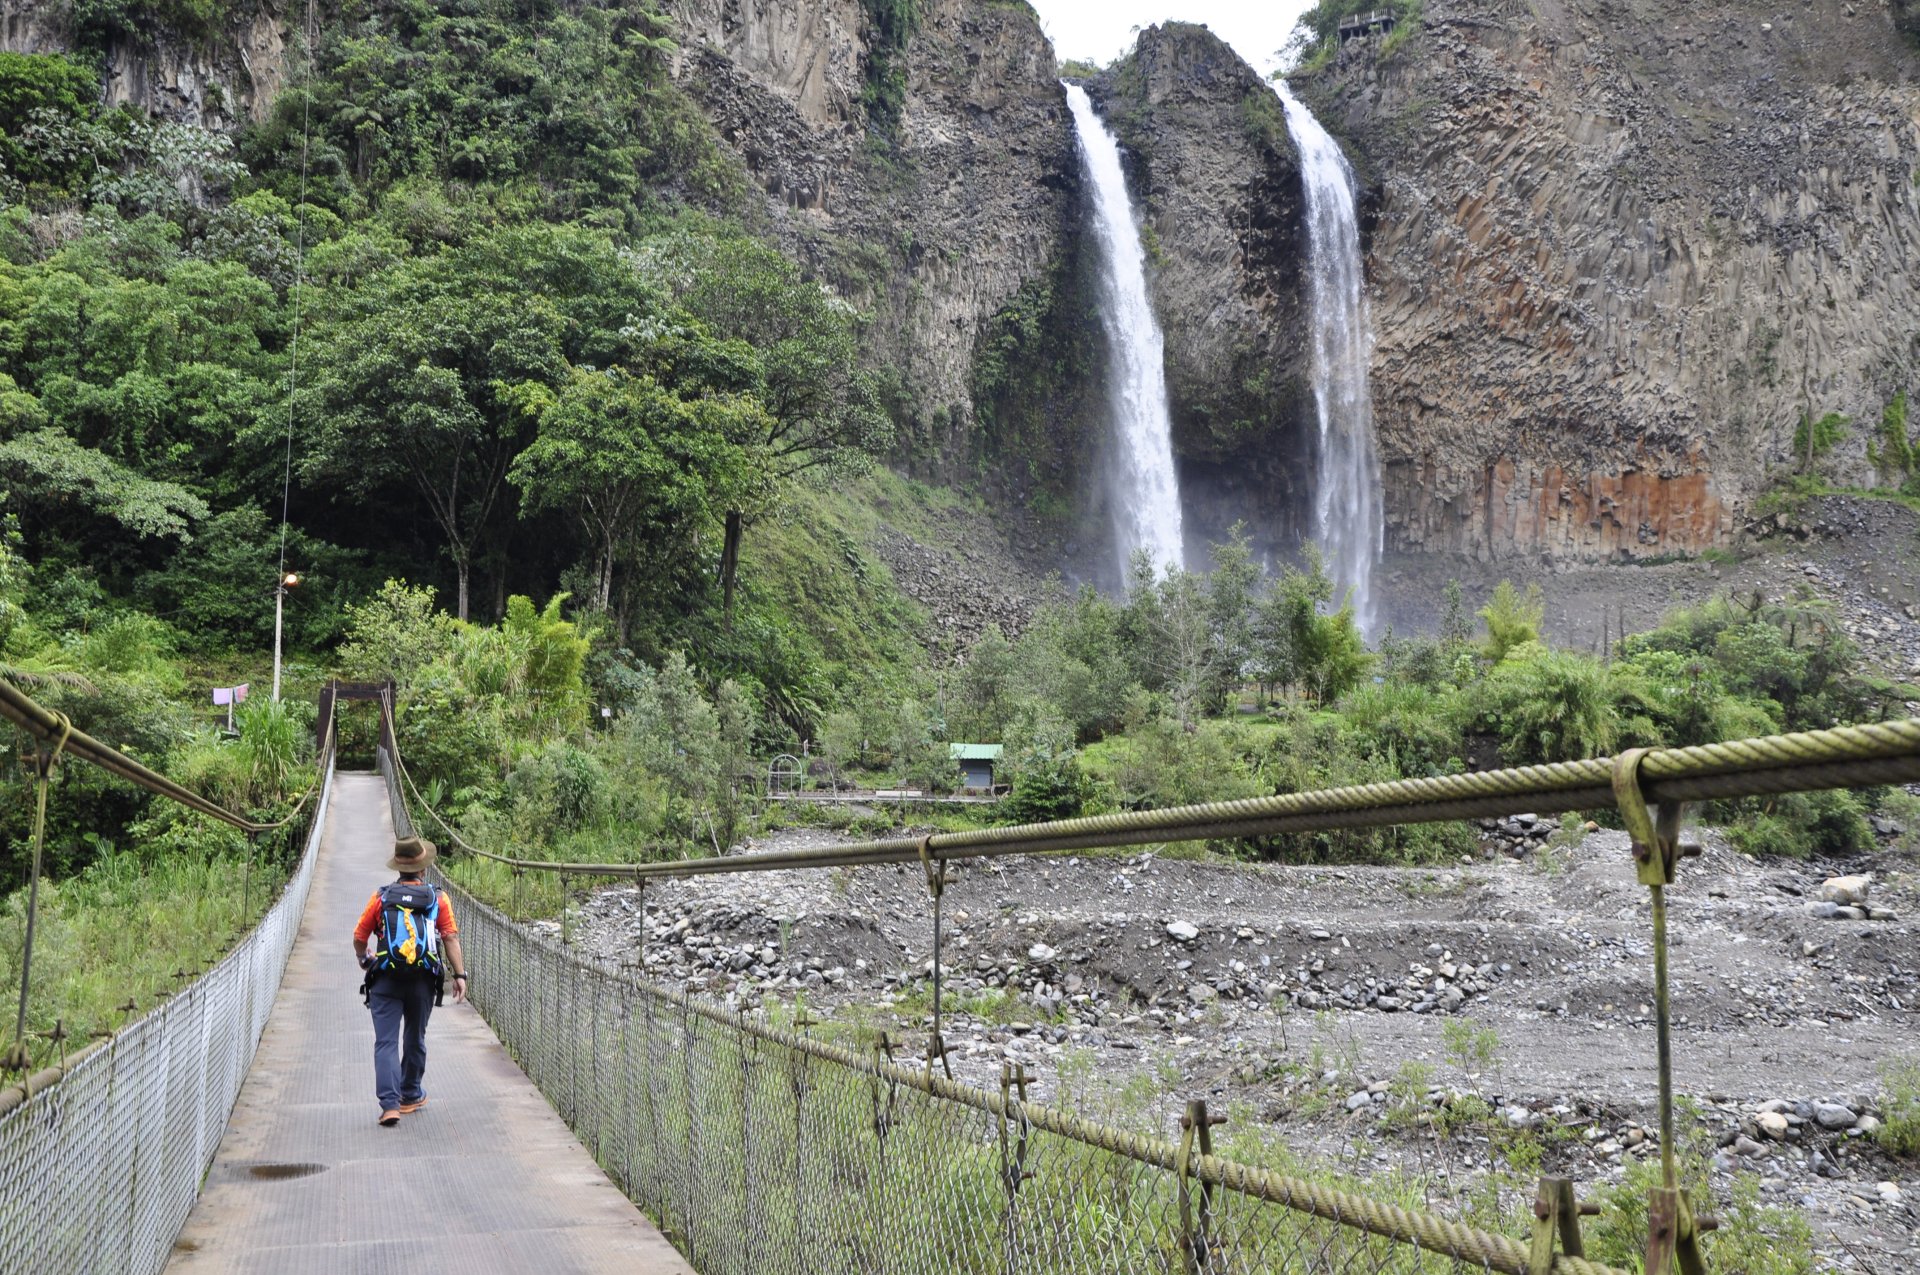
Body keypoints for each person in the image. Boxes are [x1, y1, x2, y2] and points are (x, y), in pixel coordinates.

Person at [352, 835, 468, 1127]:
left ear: (398, 867)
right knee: (415, 1037)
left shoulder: (380, 897)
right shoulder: (437, 898)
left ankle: (390, 1106)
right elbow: (450, 936)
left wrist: (364, 959)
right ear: (423, 868)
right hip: (421, 982)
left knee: (386, 1042)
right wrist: (460, 974)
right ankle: (410, 1094)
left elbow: (359, 936)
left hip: (385, 980)